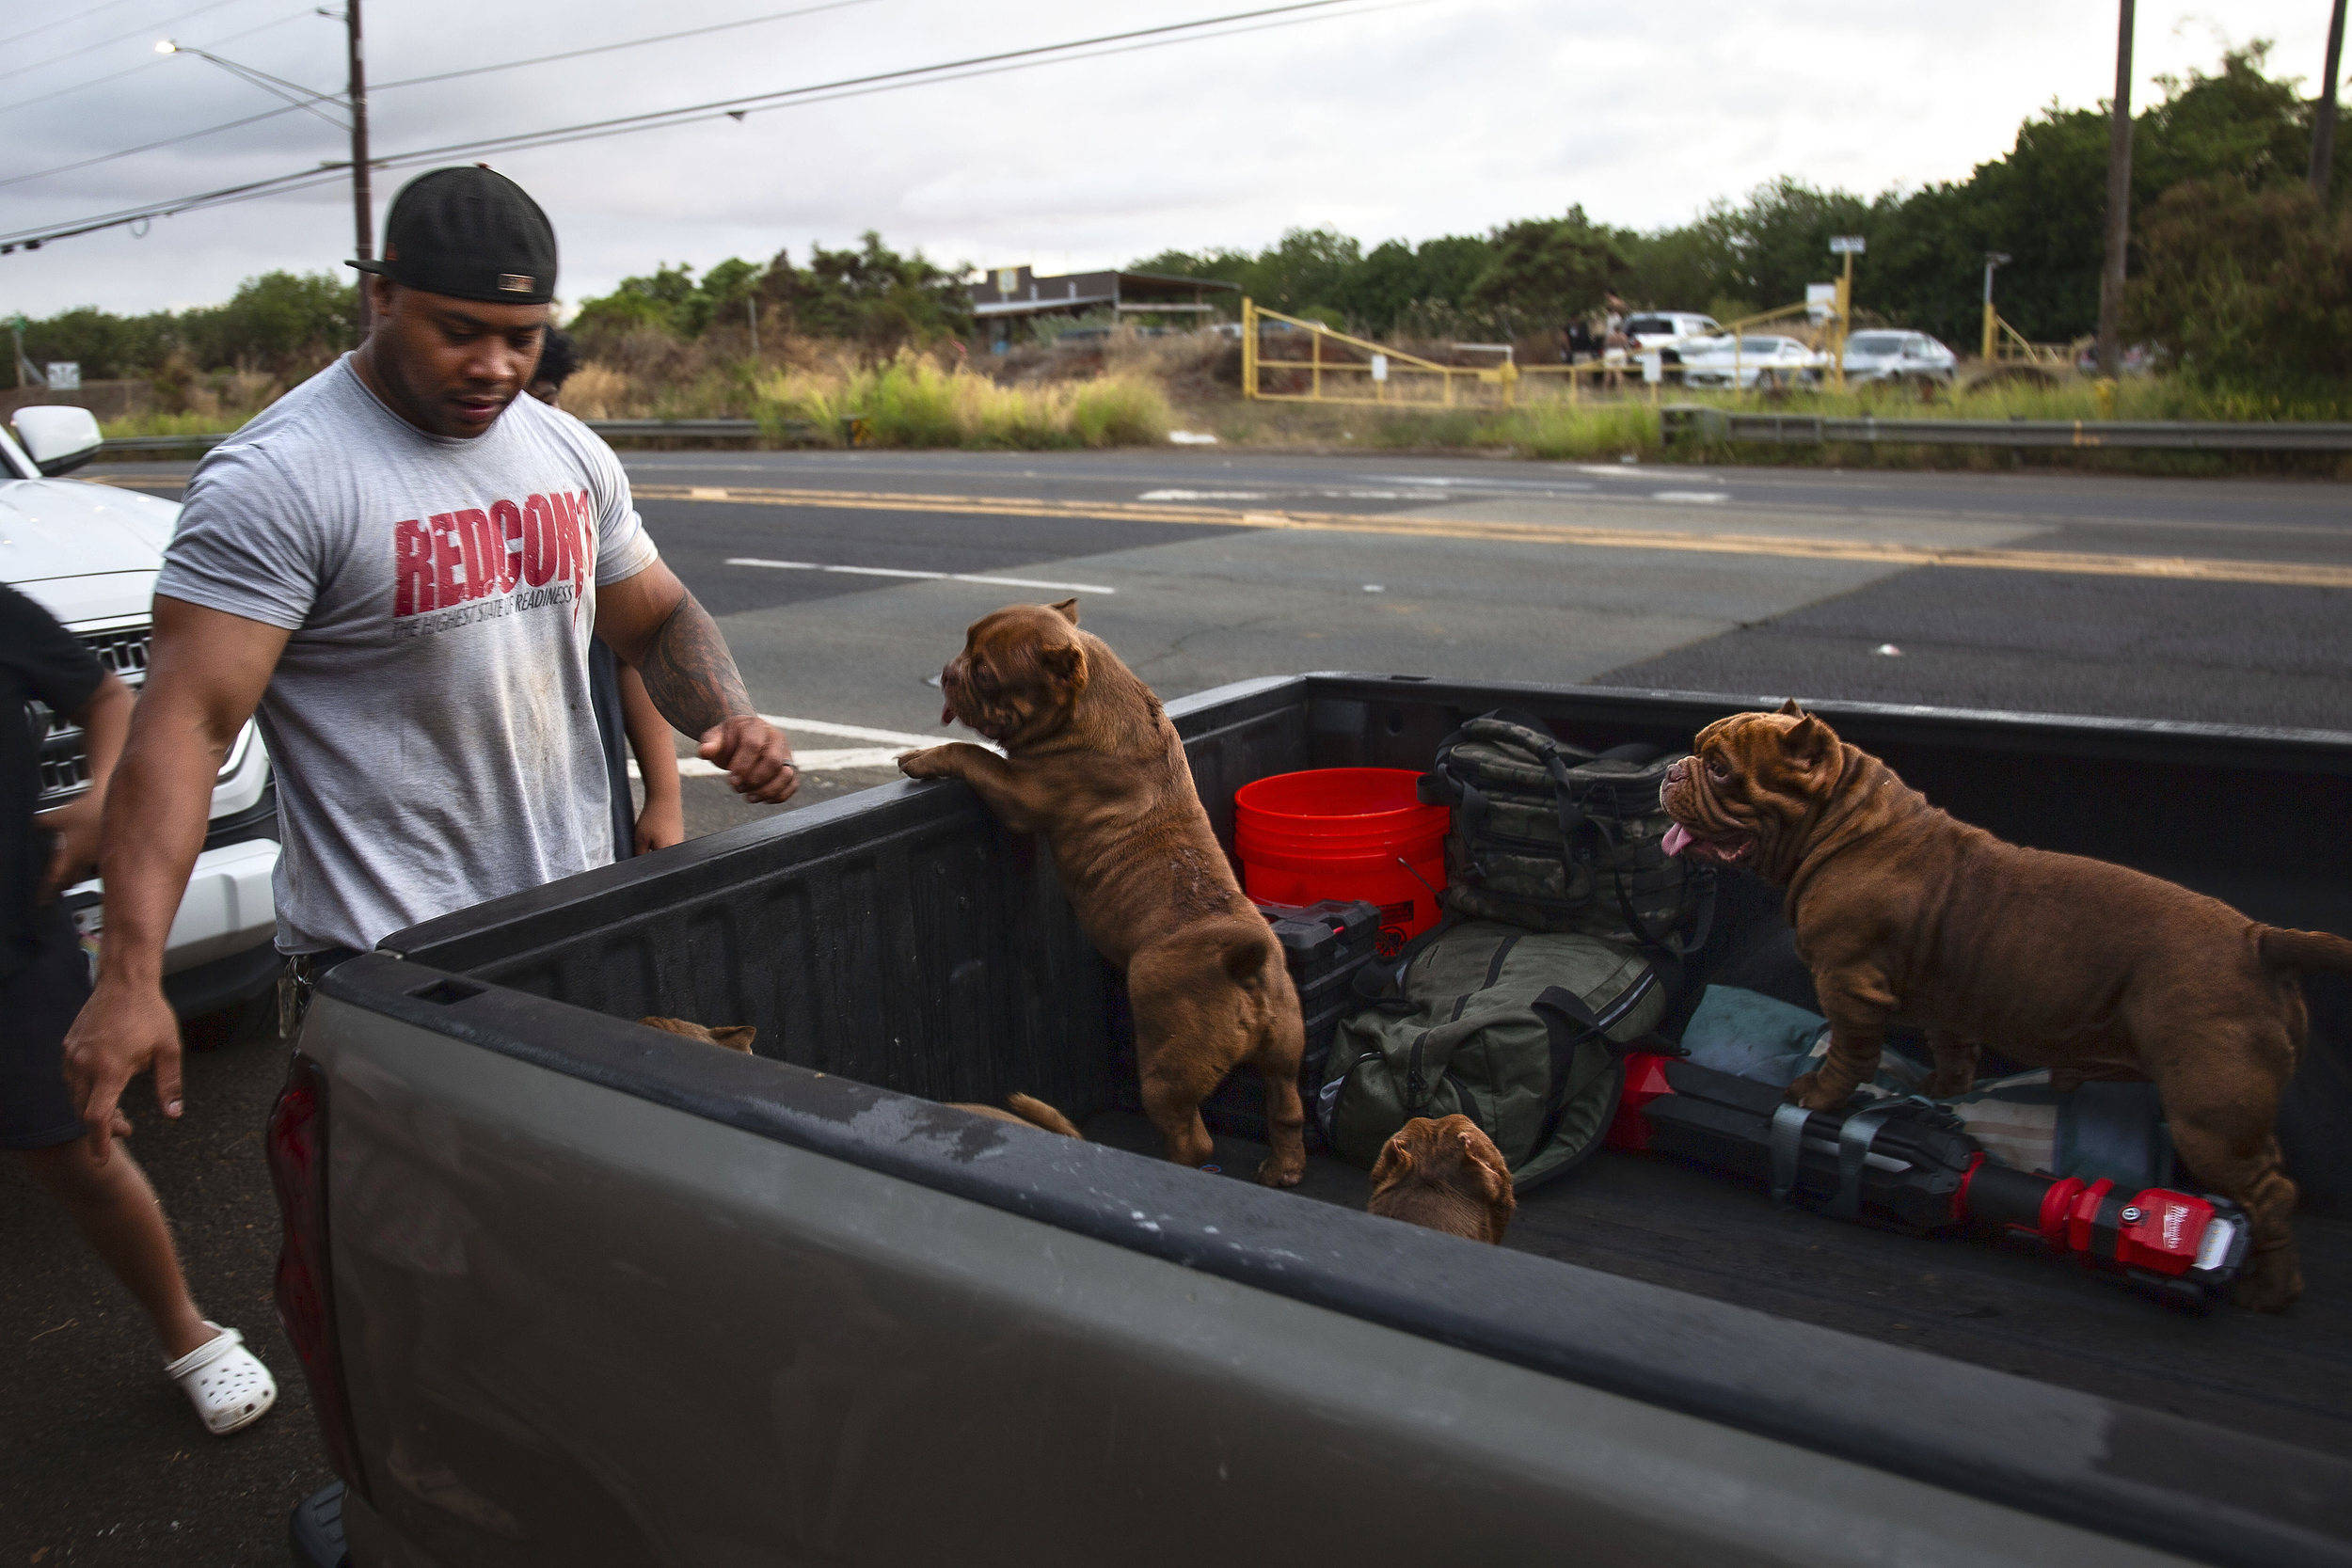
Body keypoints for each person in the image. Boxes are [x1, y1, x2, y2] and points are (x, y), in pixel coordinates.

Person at [61, 165, 797, 1161]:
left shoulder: (565, 453)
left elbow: (655, 617)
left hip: (575, 929)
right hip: (394, 971)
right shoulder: (279, 477)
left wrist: (731, 713)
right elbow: (186, 725)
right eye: (458, 330)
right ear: (381, 297)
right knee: (417, 1277)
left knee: (584, 1242)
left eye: (521, 337)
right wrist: (132, 973)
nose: (494, 364)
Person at [0, 584, 277, 1435]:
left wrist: (100, 793)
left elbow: (106, 695)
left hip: (15, 933)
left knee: (74, 1146)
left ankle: (186, 1331)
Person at [528, 327, 683, 858]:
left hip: (593, 819)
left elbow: (635, 650)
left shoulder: (576, 482)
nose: (524, 421)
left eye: (543, 401)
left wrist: (663, 798)